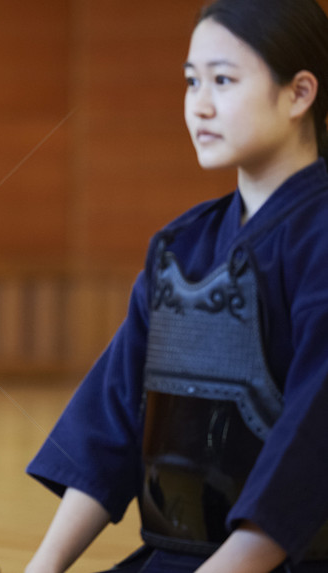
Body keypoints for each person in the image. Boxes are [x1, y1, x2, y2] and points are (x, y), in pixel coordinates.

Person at [24, 1, 328, 572]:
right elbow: (112, 420)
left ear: (299, 93)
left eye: (223, 80)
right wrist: (42, 569)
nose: (200, 105)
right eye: (192, 82)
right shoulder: (180, 247)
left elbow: (313, 445)